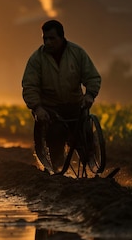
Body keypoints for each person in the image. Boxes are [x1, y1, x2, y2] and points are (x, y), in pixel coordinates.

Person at [21, 19, 101, 172]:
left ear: (62, 37)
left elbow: (92, 77)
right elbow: (29, 86)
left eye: (52, 38)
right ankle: (57, 169)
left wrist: (90, 95)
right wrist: (37, 108)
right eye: (45, 39)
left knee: (85, 136)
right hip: (51, 110)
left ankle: (91, 164)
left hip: (75, 105)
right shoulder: (37, 59)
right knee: (55, 134)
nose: (48, 42)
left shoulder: (77, 53)